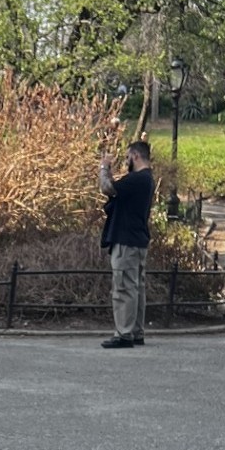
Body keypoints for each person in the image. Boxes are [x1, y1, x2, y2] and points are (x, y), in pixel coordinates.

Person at [99, 140, 154, 349]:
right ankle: (136, 331)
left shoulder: (137, 179)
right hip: (138, 239)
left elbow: (108, 188)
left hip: (126, 241)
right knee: (137, 288)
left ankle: (124, 333)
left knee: (123, 288)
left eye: (127, 157)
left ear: (136, 156)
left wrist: (104, 167)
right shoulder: (147, 180)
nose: (126, 160)